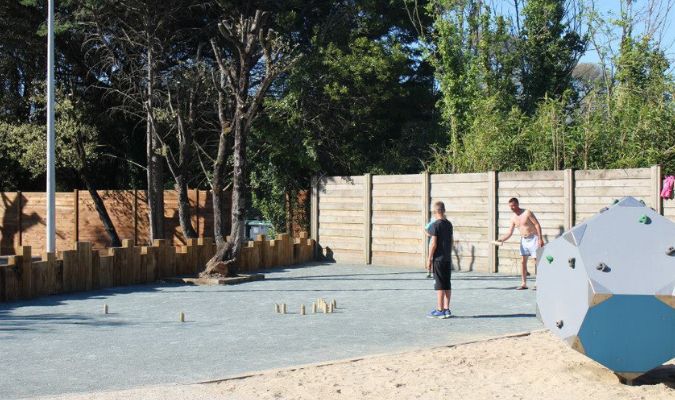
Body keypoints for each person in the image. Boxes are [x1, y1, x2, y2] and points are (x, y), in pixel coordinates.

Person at [496, 197, 544, 290]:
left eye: (513, 205)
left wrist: (540, 239)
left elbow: (537, 225)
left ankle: (538, 283)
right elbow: (510, 232)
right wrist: (501, 239)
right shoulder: (513, 218)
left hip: (533, 238)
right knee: (523, 262)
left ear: (517, 204)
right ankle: (523, 284)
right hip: (524, 240)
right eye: (510, 206)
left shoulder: (527, 213)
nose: (512, 208)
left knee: (536, 261)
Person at [426, 201, 453, 319]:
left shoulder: (436, 225)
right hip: (447, 258)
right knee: (447, 284)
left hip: (438, 259)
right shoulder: (449, 224)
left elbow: (433, 243)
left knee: (440, 285)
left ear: (435, 212)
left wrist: (429, 258)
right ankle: (447, 309)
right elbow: (451, 241)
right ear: (444, 210)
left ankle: (440, 309)